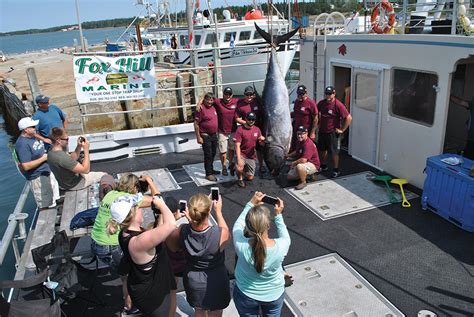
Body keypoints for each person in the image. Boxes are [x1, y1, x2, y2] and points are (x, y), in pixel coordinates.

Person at [91, 173, 160, 313]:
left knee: (124, 272)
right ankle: (129, 308)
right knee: (128, 277)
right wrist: (149, 181)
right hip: (110, 246)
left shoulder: (110, 195)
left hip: (95, 242)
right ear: (134, 188)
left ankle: (129, 304)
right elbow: (157, 200)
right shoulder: (130, 200)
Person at [109, 194, 177, 316]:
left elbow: (156, 236)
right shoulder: (138, 242)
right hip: (153, 295)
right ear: (132, 215)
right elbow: (171, 225)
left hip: (144, 287)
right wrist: (162, 205)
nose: (141, 208)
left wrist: (161, 215)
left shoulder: (125, 233)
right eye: (137, 207)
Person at [167, 193, 231, 316]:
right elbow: (226, 233)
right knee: (216, 311)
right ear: (209, 210)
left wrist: (187, 221)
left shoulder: (182, 230)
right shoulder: (219, 233)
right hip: (216, 278)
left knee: (199, 310)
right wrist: (218, 212)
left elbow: (172, 247)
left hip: (194, 279)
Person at [232, 192, 290, 316]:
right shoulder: (282, 245)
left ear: (247, 227)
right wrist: (278, 214)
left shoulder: (241, 245)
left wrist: (251, 203)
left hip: (245, 294)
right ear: (268, 225)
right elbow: (284, 232)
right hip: (274, 294)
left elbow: (237, 225)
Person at [14, 117, 60, 209]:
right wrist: (44, 158)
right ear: (26, 130)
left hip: (46, 171)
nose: (35, 128)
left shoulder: (32, 137)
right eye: (33, 127)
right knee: (45, 204)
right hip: (37, 177)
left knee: (53, 198)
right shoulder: (22, 145)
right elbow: (26, 166)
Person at [317, 86, 352, 178]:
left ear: (334, 94)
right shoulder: (321, 103)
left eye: (330, 94)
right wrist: (317, 124)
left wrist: (342, 130)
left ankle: (336, 170)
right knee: (322, 150)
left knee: (334, 152)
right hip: (322, 131)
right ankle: (323, 165)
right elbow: (316, 113)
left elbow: (348, 118)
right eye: (326, 94)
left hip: (333, 133)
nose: (328, 95)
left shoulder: (338, 105)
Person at [236, 86, 265, 176]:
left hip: (258, 129)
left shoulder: (257, 101)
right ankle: (238, 164)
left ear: (254, 95)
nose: (249, 96)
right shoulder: (240, 104)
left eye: (251, 94)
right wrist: (247, 123)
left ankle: (261, 165)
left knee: (260, 149)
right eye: (247, 94)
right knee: (243, 147)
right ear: (244, 95)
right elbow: (237, 118)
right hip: (246, 130)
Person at [234, 112, 265, 188]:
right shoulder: (240, 130)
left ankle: (236, 168)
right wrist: (239, 159)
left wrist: (263, 141)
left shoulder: (257, 129)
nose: (251, 121)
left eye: (253, 119)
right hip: (242, 154)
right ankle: (240, 179)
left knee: (250, 177)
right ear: (246, 119)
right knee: (239, 167)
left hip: (251, 156)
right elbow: (237, 146)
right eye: (249, 119)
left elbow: (261, 144)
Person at [194, 93, 219, 182]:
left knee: (213, 153)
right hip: (205, 135)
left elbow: (212, 98)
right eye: (207, 99)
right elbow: (196, 124)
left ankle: (211, 169)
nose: (209, 101)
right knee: (208, 155)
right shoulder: (200, 109)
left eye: (211, 100)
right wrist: (198, 137)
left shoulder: (213, 107)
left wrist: (200, 101)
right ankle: (208, 174)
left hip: (214, 135)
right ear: (204, 100)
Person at [286, 126, 320, 190]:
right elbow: (297, 151)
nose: (299, 136)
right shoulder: (299, 141)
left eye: (302, 134)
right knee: (289, 177)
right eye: (298, 134)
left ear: (306, 133)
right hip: (304, 161)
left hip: (313, 164)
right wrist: (288, 155)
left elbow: (304, 160)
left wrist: (294, 163)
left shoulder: (308, 144)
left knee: (299, 166)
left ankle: (303, 182)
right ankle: (306, 175)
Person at [214, 87, 238, 176]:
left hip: (233, 131)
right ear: (223, 94)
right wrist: (199, 104)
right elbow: (207, 98)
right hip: (222, 132)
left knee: (232, 149)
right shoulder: (218, 102)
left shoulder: (236, 101)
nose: (227, 95)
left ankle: (231, 164)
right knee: (223, 151)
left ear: (232, 95)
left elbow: (247, 101)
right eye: (226, 94)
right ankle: (224, 167)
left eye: (229, 94)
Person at [291, 85, 318, 150]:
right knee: (297, 147)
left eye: (302, 94)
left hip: (306, 130)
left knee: (306, 147)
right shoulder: (296, 102)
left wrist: (312, 132)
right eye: (299, 94)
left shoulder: (311, 103)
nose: (300, 95)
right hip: (297, 130)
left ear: (306, 93)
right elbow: (295, 113)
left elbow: (315, 118)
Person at [450, 94, 474, 159]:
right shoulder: (472, 104)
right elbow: (460, 101)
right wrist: (447, 93)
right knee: (468, 161)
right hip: (471, 140)